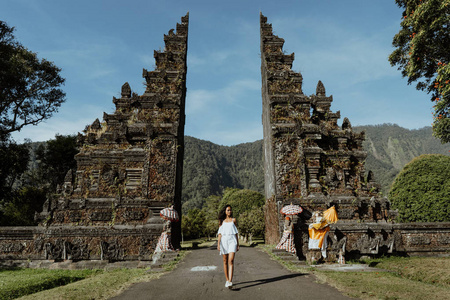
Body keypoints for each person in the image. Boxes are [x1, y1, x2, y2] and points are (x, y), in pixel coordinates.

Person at [217, 205, 239, 289]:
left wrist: (238, 244)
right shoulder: (221, 221)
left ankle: (230, 281)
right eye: (228, 210)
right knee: (225, 261)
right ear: (225, 211)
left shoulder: (234, 220)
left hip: (232, 241)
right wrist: (218, 244)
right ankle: (227, 280)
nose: (230, 211)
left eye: (230, 210)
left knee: (231, 260)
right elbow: (220, 234)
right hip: (224, 241)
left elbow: (236, 232)